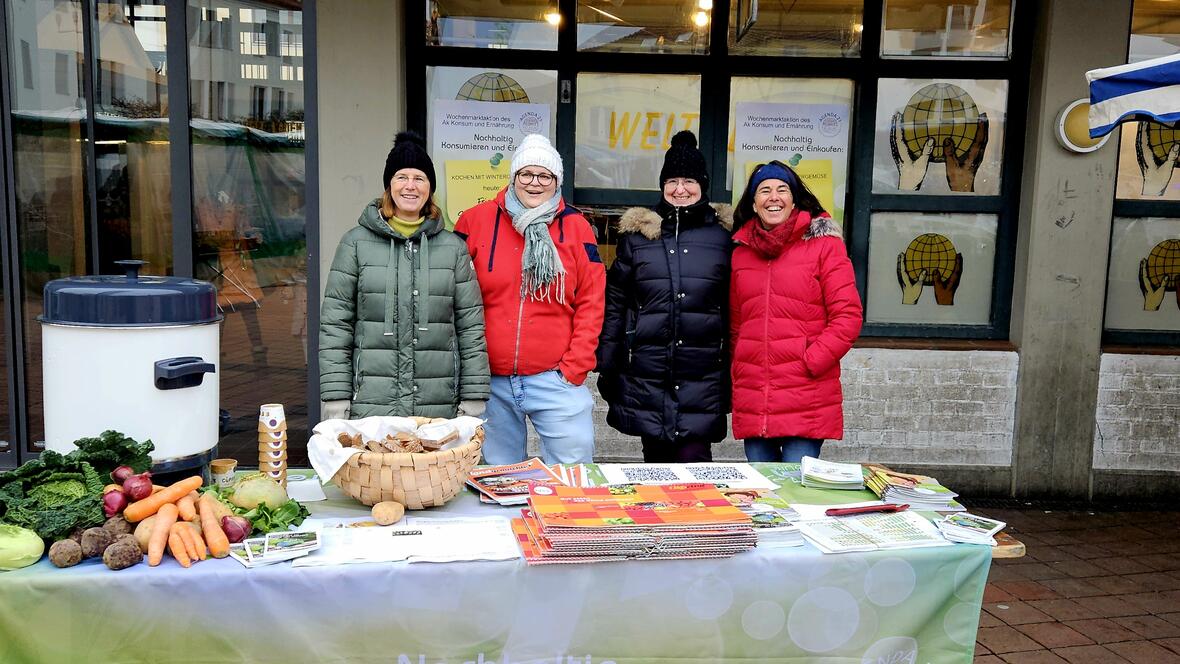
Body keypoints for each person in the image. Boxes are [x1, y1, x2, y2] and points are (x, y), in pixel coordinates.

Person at [454, 134, 605, 465]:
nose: (534, 183)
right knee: (500, 479)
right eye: (526, 174)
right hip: (489, 382)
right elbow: (454, 296)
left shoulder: (577, 227)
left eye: (545, 176)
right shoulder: (475, 221)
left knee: (572, 477)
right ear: (513, 177)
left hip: (555, 379)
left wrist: (574, 368)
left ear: (556, 181)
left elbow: (592, 302)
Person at [319, 132, 489, 420]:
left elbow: (471, 328)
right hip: (371, 402)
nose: (410, 186)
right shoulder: (355, 244)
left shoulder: (454, 249)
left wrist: (474, 395)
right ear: (389, 185)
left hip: (438, 404)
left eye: (419, 178)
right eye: (401, 177)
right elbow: (336, 326)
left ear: (430, 187)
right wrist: (336, 396)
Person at [597, 130, 732, 463]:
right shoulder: (637, 238)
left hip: (702, 371)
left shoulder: (722, 237)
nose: (680, 189)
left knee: (695, 464)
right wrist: (609, 359)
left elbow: (735, 306)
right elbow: (616, 301)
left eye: (688, 181)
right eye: (672, 181)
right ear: (662, 186)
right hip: (647, 369)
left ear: (702, 185)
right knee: (655, 465)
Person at [730, 160, 863, 463]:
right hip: (756, 396)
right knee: (764, 496)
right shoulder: (740, 253)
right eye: (764, 191)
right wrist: (740, 368)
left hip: (805, 394)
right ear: (753, 203)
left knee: (798, 496)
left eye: (781, 189)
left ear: (794, 200)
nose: (773, 197)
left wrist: (810, 360)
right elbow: (738, 326)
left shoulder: (824, 246)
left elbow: (848, 316)